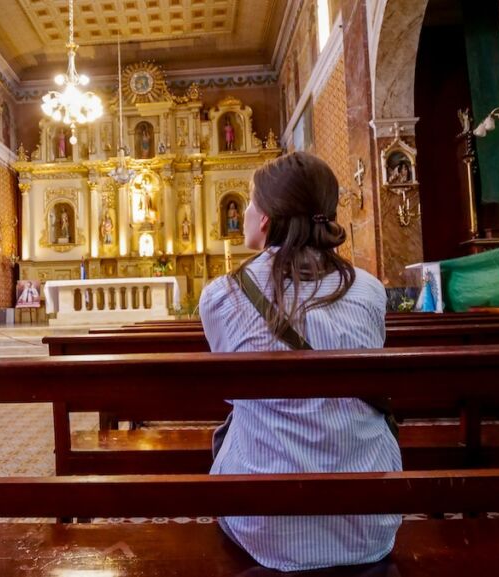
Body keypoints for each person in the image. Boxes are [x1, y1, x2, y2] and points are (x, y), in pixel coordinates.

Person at [199, 151, 400, 572]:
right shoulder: (368, 290)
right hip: (371, 517)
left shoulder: (223, 296)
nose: (247, 211)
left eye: (251, 202)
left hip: (263, 523)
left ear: (266, 219)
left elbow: (235, 392)